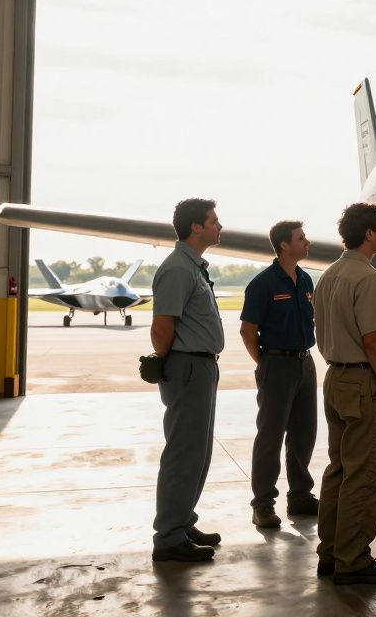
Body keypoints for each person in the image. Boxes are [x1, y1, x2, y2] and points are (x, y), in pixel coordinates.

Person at [313, 203, 376, 585]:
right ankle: (353, 559)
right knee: (364, 473)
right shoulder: (368, 279)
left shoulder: (329, 275)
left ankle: (331, 553)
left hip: (335, 378)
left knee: (339, 469)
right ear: (368, 234)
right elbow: (374, 342)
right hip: (364, 383)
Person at [150, 198, 225, 562]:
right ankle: (168, 537)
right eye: (214, 220)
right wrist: (165, 363)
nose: (219, 226)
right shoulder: (178, 269)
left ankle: (181, 522)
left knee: (199, 452)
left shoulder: (193, 266)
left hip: (200, 367)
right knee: (184, 452)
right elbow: (162, 326)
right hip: (187, 367)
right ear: (196, 227)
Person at [239, 220, 318, 529]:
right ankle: (263, 504)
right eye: (301, 238)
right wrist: (266, 363)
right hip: (277, 364)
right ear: (285, 245)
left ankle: (299, 497)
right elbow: (248, 331)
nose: (307, 242)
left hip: (305, 363)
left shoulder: (306, 280)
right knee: (271, 436)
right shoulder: (263, 284)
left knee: (304, 434)